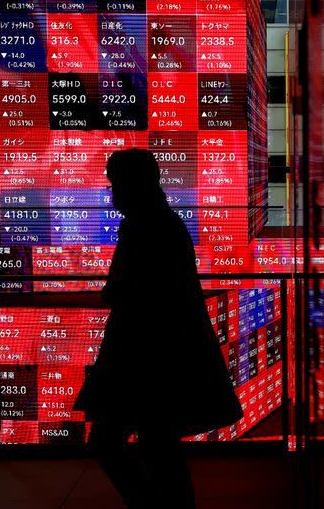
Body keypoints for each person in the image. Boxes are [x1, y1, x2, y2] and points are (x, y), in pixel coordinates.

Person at [74, 149, 243, 508]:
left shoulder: (142, 226)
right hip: (163, 357)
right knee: (159, 447)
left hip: (140, 358)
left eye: (115, 183)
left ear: (131, 184)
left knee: (115, 444)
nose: (112, 193)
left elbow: (124, 291)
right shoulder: (165, 222)